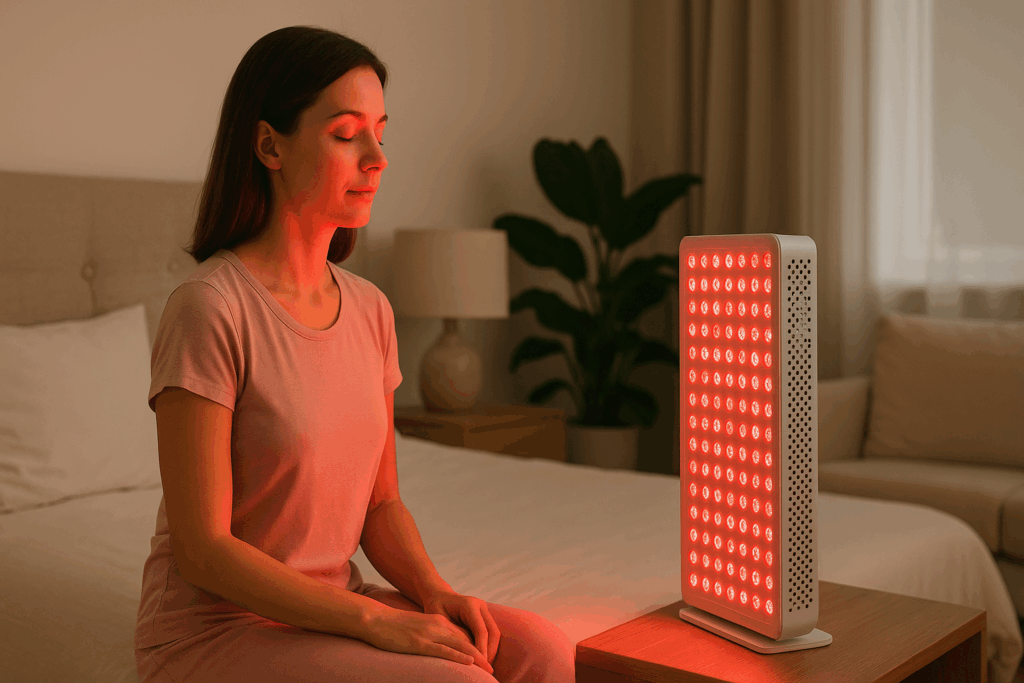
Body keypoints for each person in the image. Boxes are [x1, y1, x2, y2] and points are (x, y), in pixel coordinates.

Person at [133, 25, 576, 682]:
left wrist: (433, 593)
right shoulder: (210, 307)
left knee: (544, 649)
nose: (377, 159)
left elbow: (380, 504)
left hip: (331, 607)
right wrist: (374, 619)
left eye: (380, 134)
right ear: (269, 145)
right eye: (346, 134)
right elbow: (204, 550)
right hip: (218, 626)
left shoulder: (371, 309)